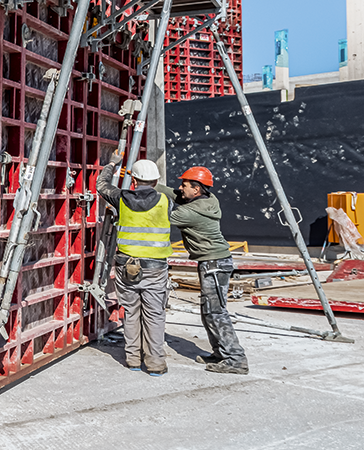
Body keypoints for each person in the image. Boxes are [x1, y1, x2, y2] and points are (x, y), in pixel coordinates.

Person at [96, 156, 172, 375]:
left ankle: (132, 360)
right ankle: (156, 365)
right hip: (156, 268)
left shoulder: (121, 198)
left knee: (131, 312)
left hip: (126, 266)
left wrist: (111, 164)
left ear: (134, 181)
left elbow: (101, 186)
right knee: (155, 315)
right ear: (156, 182)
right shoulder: (165, 201)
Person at [171, 165, 249, 374]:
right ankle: (220, 353)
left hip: (214, 264)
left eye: (184, 185)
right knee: (209, 312)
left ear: (196, 190)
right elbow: (175, 194)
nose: (180, 188)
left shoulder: (190, 212)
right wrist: (152, 185)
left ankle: (235, 359)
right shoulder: (209, 199)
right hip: (215, 262)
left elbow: (162, 216)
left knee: (216, 312)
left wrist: (146, 193)